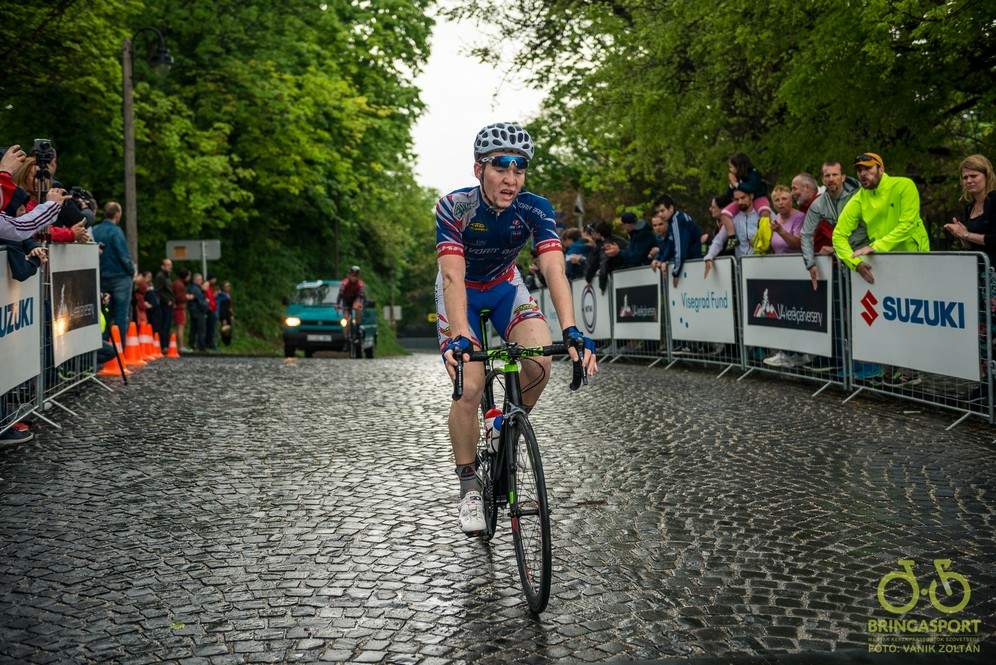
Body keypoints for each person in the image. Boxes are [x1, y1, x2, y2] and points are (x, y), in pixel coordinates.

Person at [435, 121, 597, 534]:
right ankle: (469, 486)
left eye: (519, 168)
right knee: (470, 385)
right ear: (479, 170)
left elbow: (554, 267)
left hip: (506, 287)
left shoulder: (535, 208)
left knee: (540, 361)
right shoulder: (454, 207)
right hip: (461, 292)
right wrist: (459, 334)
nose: (511, 178)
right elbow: (451, 275)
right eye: (500, 166)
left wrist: (571, 329)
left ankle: (504, 429)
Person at [833, 152, 931, 285]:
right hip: (882, 263)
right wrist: (855, 264)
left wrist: (876, 247)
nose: (863, 174)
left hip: (914, 258)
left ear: (881, 169)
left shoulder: (904, 185)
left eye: (868, 168)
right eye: (859, 170)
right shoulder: (859, 199)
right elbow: (838, 235)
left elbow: (908, 225)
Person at [801, 161, 866, 290]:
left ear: (843, 177)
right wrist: (810, 264)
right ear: (822, 180)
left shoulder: (860, 195)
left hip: (868, 253)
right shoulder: (818, 204)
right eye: (827, 175)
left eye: (835, 175)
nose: (831, 179)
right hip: (845, 260)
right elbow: (806, 234)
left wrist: (835, 249)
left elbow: (866, 228)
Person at [90, 202, 136, 346]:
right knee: (121, 315)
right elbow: (123, 256)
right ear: (117, 214)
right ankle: (119, 349)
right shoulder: (116, 231)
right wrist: (132, 271)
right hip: (120, 278)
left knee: (103, 314)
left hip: (101, 277)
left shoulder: (95, 230)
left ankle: (103, 347)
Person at [944, 154, 996, 267]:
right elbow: (971, 246)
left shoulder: (994, 200)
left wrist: (966, 234)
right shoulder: (969, 207)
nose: (969, 180)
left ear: (987, 176)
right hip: (978, 270)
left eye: (973, 176)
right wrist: (960, 234)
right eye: (965, 177)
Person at [703, 186, 759, 278]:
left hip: (762, 267)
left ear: (751, 196)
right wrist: (709, 256)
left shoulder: (763, 215)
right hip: (742, 271)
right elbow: (718, 241)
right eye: (737, 199)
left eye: (743, 198)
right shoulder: (732, 219)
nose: (740, 202)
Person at [648, 194, 702, 287]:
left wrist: (676, 273)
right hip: (689, 264)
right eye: (658, 211)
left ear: (671, 208)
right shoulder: (674, 220)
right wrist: (660, 259)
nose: (660, 214)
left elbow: (680, 249)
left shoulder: (677, 220)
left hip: (692, 265)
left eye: (662, 210)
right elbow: (670, 246)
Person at [716, 153, 772, 226]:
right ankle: (731, 233)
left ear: (739, 167)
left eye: (731, 167)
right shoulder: (737, 176)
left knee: (764, 212)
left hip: (758, 197)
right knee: (724, 214)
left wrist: (736, 184)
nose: (730, 170)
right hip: (741, 201)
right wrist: (732, 185)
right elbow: (729, 195)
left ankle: (765, 230)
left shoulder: (753, 173)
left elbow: (751, 188)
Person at [585, 220, 628, 293]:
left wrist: (602, 285)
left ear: (599, 233)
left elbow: (603, 264)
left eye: (593, 232)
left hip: (618, 278)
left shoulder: (606, 244)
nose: (592, 234)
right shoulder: (618, 240)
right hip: (624, 275)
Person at [768, 185, 804, 254]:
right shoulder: (775, 218)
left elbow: (797, 245)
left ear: (791, 201)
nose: (780, 202)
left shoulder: (800, 217)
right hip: (778, 259)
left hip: (796, 259)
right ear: (773, 204)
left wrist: (781, 231)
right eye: (777, 200)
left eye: (784, 199)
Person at [154, 259, 175, 353]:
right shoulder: (160, 276)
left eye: (170, 265)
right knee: (164, 325)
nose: (170, 267)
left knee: (167, 325)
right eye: (168, 265)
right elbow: (157, 290)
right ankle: (163, 346)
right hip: (164, 304)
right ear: (162, 266)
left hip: (168, 303)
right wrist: (166, 300)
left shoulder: (167, 276)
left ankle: (165, 345)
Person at [187, 273, 209, 351]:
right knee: (201, 329)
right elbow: (201, 302)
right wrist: (206, 304)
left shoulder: (193, 288)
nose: (201, 281)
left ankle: (192, 345)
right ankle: (201, 346)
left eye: (201, 279)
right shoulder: (196, 289)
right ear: (195, 280)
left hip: (193, 311)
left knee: (193, 329)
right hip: (198, 311)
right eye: (199, 279)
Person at [173, 269, 193, 351]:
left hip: (179, 307)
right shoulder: (179, 284)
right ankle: (180, 346)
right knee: (180, 327)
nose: (189, 278)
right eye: (189, 276)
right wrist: (187, 297)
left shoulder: (178, 283)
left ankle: (180, 345)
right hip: (179, 308)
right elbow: (179, 297)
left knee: (180, 327)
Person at [216, 280, 234, 346]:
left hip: (228, 314)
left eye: (229, 286)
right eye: (227, 286)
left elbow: (229, 306)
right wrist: (223, 318)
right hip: (224, 315)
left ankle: (227, 343)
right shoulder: (222, 296)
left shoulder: (228, 295)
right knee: (224, 329)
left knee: (228, 328)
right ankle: (223, 342)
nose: (228, 287)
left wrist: (231, 314)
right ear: (223, 287)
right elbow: (222, 308)